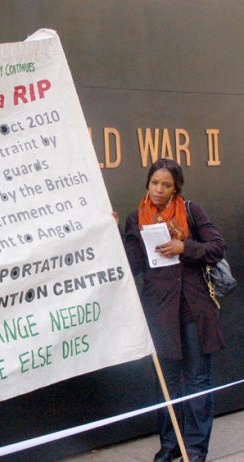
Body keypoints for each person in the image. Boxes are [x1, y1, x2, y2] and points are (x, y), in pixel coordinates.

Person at [123, 159, 226, 462]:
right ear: (148, 183)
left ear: (175, 187)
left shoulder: (192, 211)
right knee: (166, 385)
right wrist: (113, 229)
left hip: (193, 310)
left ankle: (194, 450)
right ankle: (170, 447)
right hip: (160, 312)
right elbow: (133, 264)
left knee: (196, 381)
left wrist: (185, 247)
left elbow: (217, 247)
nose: (159, 189)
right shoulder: (135, 219)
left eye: (166, 184)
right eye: (155, 182)